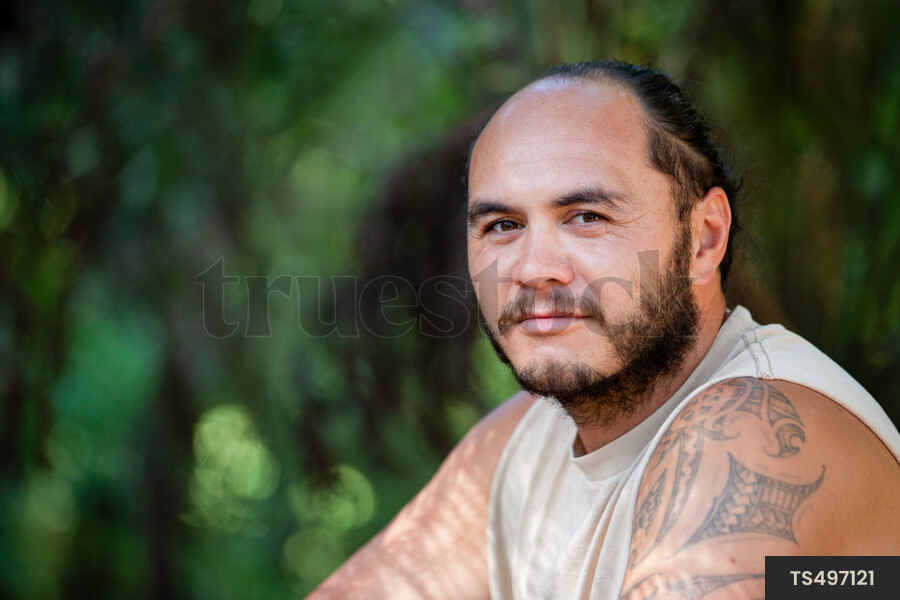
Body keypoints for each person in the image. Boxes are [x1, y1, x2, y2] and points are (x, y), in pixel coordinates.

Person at [308, 59, 900, 600]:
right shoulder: (527, 442)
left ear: (704, 238)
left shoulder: (748, 432)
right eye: (502, 225)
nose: (534, 267)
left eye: (587, 217)